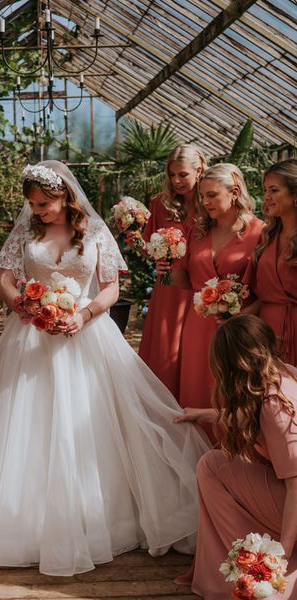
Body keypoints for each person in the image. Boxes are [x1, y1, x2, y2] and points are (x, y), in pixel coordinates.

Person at [0, 160, 210, 576]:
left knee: (89, 422)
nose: (36, 210)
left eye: (43, 204)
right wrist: (23, 304)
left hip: (87, 333)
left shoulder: (94, 231)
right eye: (33, 204)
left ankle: (99, 515)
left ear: (64, 197)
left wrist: (85, 313)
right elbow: (4, 279)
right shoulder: (26, 231)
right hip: (31, 335)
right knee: (24, 422)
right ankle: (18, 515)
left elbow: (113, 287)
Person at [174, 315, 297, 599]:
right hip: (286, 496)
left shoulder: (274, 407)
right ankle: (246, 556)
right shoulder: (284, 374)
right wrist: (203, 414)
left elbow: (295, 487)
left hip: (293, 502)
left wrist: (281, 556)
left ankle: (254, 564)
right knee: (214, 462)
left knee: (212, 467)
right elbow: (247, 417)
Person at [172, 163, 264, 440]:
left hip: (241, 330)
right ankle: (197, 465)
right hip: (198, 328)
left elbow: (266, 290)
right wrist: (170, 261)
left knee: (234, 393)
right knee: (197, 390)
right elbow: (184, 281)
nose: (204, 202)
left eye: (211, 195)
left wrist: (240, 313)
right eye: (202, 196)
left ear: (234, 192)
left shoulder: (260, 232)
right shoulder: (197, 232)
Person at [138, 143, 207, 398]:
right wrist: (152, 255)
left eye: (183, 174)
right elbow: (149, 245)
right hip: (169, 288)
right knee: (166, 352)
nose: (176, 180)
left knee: (195, 353)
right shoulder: (160, 203)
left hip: (201, 285)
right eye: (171, 174)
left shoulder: (210, 201)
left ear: (199, 170)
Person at [244, 158, 297, 365]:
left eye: (274, 191)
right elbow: (263, 292)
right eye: (265, 190)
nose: (266, 197)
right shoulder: (267, 236)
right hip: (267, 333)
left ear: (295, 195)